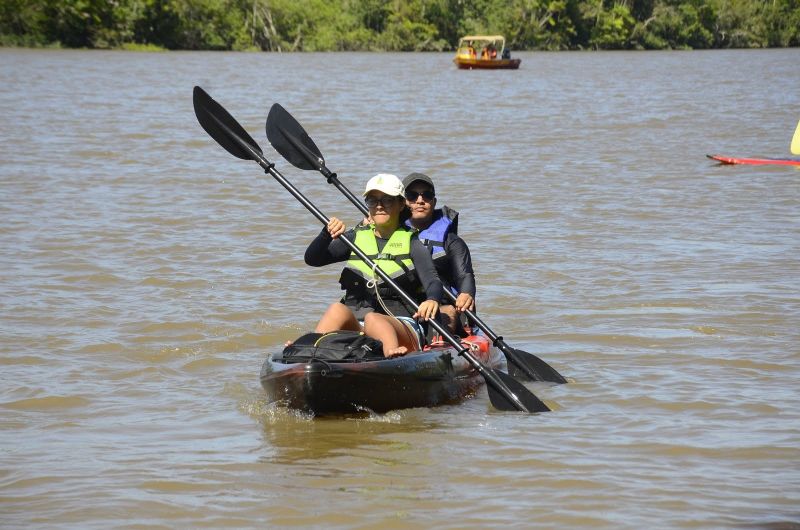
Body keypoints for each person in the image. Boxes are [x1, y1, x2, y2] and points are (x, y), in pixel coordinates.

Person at [304, 173, 442, 357]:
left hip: (401, 325)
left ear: (401, 205)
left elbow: (432, 280)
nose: (379, 206)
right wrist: (326, 233)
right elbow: (313, 259)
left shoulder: (413, 243)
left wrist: (432, 299)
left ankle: (391, 354)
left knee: (374, 319)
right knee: (337, 309)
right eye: (372, 200)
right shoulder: (355, 237)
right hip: (358, 325)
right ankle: (309, 351)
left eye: (387, 200)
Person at [402, 172, 476, 335]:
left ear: (434, 202)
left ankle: (442, 348)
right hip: (404, 305)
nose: (420, 200)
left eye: (426, 195)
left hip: (443, 306)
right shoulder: (388, 235)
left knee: (448, 311)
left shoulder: (452, 241)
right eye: (412, 196)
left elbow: (465, 275)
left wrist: (467, 293)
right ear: (402, 202)